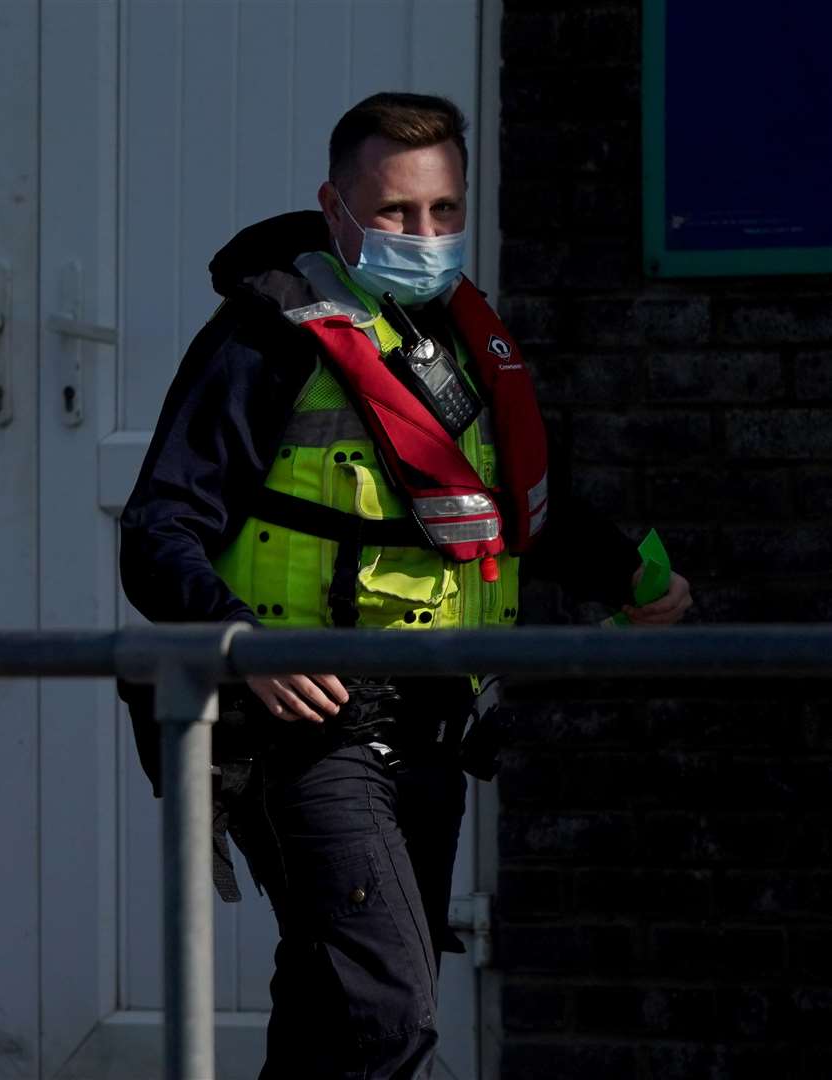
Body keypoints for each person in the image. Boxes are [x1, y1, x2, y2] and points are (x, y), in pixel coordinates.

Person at [118, 92, 692, 1078]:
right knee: (390, 1013)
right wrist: (243, 643)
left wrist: (631, 574)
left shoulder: (463, 341)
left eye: (444, 211)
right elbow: (157, 529)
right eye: (394, 213)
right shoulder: (267, 338)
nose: (426, 236)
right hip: (307, 727)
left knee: (326, 1010)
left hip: (435, 725)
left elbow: (506, 510)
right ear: (334, 209)